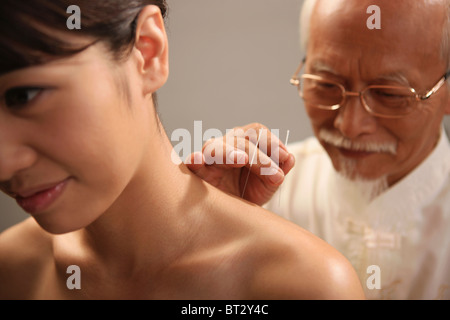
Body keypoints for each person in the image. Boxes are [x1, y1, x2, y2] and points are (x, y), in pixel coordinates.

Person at [0, 0, 365, 300]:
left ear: (147, 50)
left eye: (24, 96)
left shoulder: (301, 285)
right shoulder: (11, 270)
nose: (3, 164)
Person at [187, 0, 450, 299]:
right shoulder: (261, 192)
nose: (349, 125)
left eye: (389, 94)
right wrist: (211, 225)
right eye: (326, 85)